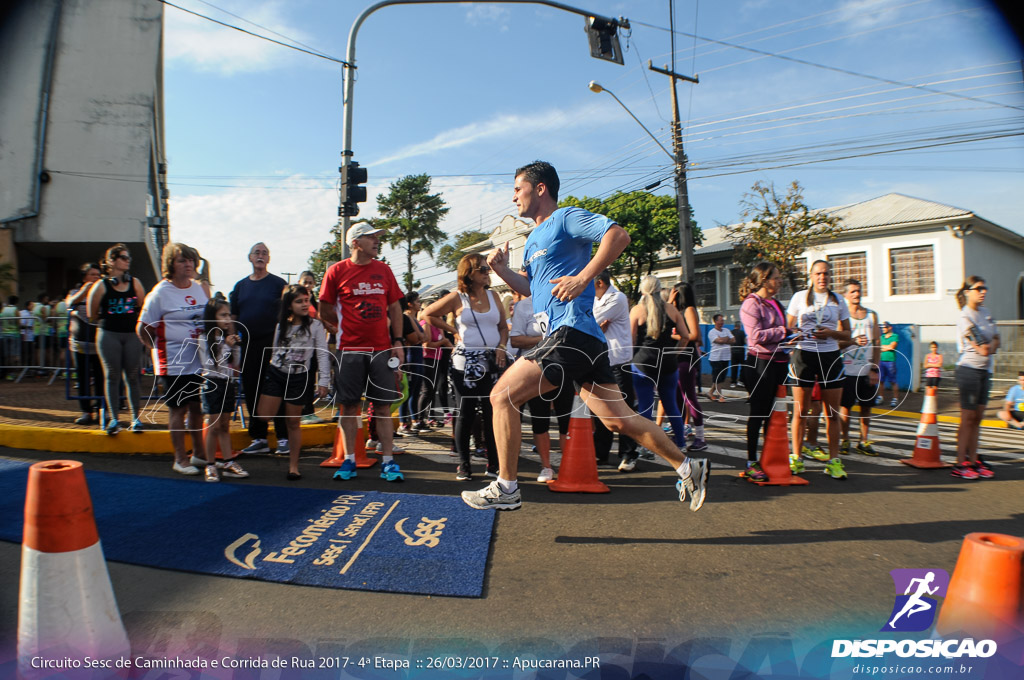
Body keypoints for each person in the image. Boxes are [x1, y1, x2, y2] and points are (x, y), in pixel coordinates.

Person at [462, 160, 708, 511]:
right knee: (617, 420)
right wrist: (501, 271)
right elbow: (531, 289)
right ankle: (688, 467)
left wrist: (583, 278)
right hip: (585, 342)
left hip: (571, 333)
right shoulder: (532, 240)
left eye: (518, 188)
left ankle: (507, 486)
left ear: (541, 188)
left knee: (502, 396)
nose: (513, 196)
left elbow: (618, 236)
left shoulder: (565, 218)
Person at [318, 222, 406, 483]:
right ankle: (349, 460)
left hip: (381, 350)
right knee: (349, 406)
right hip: (349, 350)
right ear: (355, 242)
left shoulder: (384, 270)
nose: (377, 241)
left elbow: (395, 309)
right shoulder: (336, 271)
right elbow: (324, 309)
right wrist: (345, 325)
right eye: (371, 238)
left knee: (383, 407)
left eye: (378, 237)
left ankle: (388, 462)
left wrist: (398, 340)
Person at [424, 253, 509, 481]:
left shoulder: (494, 296)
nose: (486, 272)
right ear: (468, 273)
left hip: (492, 362)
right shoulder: (457, 297)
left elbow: (503, 326)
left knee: (493, 413)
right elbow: (428, 314)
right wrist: (454, 332)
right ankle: (464, 464)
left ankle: (493, 463)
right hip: (465, 364)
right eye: (482, 269)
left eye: (486, 269)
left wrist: (501, 346)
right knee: (466, 414)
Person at [137, 243, 211, 475]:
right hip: (173, 362)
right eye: (182, 260)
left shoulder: (199, 288)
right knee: (179, 409)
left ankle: (199, 454)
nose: (188, 264)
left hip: (198, 360)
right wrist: (157, 350)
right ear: (171, 264)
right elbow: (143, 328)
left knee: (198, 408)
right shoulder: (160, 292)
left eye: (191, 260)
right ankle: (180, 459)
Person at [256, 284, 330, 480]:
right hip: (277, 372)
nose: (304, 304)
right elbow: (274, 350)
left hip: (299, 377)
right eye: (299, 301)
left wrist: (324, 380)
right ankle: (281, 410)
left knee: (293, 422)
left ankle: (294, 467)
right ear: (289, 305)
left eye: (306, 300)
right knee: (263, 416)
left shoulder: (315, 326)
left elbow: (322, 355)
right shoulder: (281, 325)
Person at [786, 259, 852, 480]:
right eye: (818, 274)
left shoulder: (838, 300)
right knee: (800, 412)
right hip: (804, 354)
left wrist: (831, 334)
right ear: (811, 276)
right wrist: (799, 333)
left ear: (830, 276)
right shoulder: (799, 298)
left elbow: (848, 334)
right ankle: (796, 459)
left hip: (830, 356)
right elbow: (788, 328)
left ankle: (834, 461)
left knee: (832, 413)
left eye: (825, 273)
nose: (822, 277)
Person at [230, 242, 289, 456]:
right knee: (252, 390)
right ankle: (259, 437)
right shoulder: (240, 286)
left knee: (276, 390)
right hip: (248, 345)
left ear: (269, 258)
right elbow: (233, 317)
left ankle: (283, 438)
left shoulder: (278, 284)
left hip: (274, 346)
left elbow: (288, 314)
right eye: (257, 252)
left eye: (264, 253)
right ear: (250, 257)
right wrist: (232, 338)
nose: (261, 256)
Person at [506, 290, 568, 483]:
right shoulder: (524, 306)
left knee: (566, 420)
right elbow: (515, 339)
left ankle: (568, 466)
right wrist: (546, 341)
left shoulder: (567, 297)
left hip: (566, 365)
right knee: (540, 420)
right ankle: (546, 466)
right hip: (537, 368)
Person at [87, 244, 147, 434]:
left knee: (132, 377)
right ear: (111, 261)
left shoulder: (135, 283)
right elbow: (91, 314)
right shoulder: (101, 285)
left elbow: (143, 308)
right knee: (112, 375)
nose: (127, 260)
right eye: (123, 257)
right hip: (109, 334)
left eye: (128, 257)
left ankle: (135, 419)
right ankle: (114, 419)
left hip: (131, 335)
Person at [738, 262, 789, 482]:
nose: (780, 281)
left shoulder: (776, 303)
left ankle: (769, 459)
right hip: (760, 364)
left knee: (774, 415)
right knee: (758, 413)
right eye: (776, 277)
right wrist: (783, 332)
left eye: (780, 277)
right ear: (765, 279)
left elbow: (782, 333)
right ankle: (751, 462)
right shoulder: (751, 303)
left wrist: (793, 337)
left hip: (780, 362)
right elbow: (755, 336)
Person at [630, 276, 689, 457]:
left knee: (645, 407)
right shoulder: (671, 309)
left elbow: (630, 340)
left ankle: (646, 447)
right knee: (671, 404)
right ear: (659, 289)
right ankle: (681, 443)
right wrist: (675, 353)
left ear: (642, 290)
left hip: (644, 362)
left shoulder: (638, 310)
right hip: (668, 362)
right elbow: (686, 336)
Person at [196, 298, 249, 482]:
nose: (227, 319)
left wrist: (235, 347)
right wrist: (227, 345)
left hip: (227, 383)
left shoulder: (227, 338)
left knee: (225, 425)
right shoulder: (204, 338)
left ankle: (228, 462)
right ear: (212, 317)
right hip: (211, 383)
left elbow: (234, 364)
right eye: (222, 315)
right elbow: (212, 364)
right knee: (214, 426)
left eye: (228, 315)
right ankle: (210, 464)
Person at [953, 276, 998, 479]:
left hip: (985, 372)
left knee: (977, 418)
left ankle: (973, 461)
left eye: (985, 288)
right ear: (968, 291)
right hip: (969, 369)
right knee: (967, 418)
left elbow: (997, 339)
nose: (983, 291)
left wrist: (991, 345)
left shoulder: (986, 313)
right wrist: (990, 345)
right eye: (978, 288)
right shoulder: (965, 316)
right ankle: (960, 463)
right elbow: (983, 348)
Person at [592, 270, 638, 470]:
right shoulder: (596, 299)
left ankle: (629, 454)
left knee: (624, 410)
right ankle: (600, 454)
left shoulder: (617, 298)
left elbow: (591, 320)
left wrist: (595, 325)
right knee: (601, 410)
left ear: (600, 282)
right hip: (601, 361)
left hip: (619, 362)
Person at [837, 279, 881, 456]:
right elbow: (837, 343)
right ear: (846, 295)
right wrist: (852, 341)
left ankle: (863, 441)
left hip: (866, 370)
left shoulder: (871, 315)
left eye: (859, 291)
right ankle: (845, 439)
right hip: (847, 370)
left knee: (866, 407)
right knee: (845, 407)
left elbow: (877, 343)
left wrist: (875, 369)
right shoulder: (843, 317)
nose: (857, 294)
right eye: (853, 291)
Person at [669, 281, 707, 451]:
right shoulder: (675, 311)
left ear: (679, 294)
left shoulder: (689, 310)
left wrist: (675, 336)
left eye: (673, 293)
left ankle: (700, 438)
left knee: (689, 398)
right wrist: (669, 303)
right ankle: (680, 436)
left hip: (687, 358)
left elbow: (694, 335)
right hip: (676, 358)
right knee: (676, 398)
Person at [65, 266, 103, 423]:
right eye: (91, 274)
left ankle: (103, 410)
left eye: (97, 275)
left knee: (102, 377)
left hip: (100, 341)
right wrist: (85, 291)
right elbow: (70, 303)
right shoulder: (75, 292)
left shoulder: (103, 291)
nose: (95, 277)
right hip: (80, 342)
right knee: (83, 377)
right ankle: (86, 411)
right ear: (84, 277)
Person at [397, 291, 431, 435]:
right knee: (408, 391)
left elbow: (423, 337)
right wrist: (413, 321)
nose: (419, 304)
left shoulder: (413, 318)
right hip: (410, 358)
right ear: (409, 304)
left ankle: (414, 419)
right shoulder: (406, 317)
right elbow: (417, 338)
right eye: (417, 301)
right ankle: (404, 422)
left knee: (415, 391)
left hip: (417, 357)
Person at [707, 314, 733, 401]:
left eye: (723, 320)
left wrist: (723, 339)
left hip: (726, 357)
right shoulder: (712, 332)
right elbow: (719, 341)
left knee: (721, 378)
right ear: (715, 321)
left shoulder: (726, 330)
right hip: (715, 358)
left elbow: (733, 340)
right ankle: (721, 396)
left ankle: (710, 392)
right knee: (718, 378)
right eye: (720, 320)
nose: (722, 322)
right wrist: (726, 339)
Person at [878, 321, 900, 407]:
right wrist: (886, 347)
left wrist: (883, 347)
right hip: (881, 361)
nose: (883, 329)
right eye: (882, 328)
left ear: (890, 327)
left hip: (890, 361)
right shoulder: (881, 337)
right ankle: (880, 397)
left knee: (893, 381)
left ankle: (895, 398)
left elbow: (892, 347)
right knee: (881, 381)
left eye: (885, 327)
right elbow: (878, 347)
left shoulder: (895, 336)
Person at [1, 296, 19, 379]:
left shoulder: (3, 310)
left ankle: (7, 372)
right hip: (14, 334)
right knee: (13, 355)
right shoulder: (15, 310)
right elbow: (18, 322)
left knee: (7, 355)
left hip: (5, 334)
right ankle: (12, 373)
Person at [729, 320, 746, 389]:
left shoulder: (731, 332)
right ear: (739, 326)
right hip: (741, 352)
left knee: (734, 368)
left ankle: (733, 382)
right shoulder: (742, 332)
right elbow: (744, 342)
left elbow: (729, 341)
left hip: (733, 352)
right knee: (743, 367)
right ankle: (741, 381)